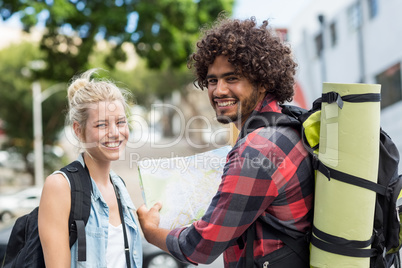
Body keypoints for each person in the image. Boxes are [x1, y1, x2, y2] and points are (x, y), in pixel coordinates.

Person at [137, 15, 314, 267]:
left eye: (232, 78)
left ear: (263, 81)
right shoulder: (289, 125)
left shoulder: (257, 150)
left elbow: (201, 247)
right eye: (212, 80)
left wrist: (151, 230)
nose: (219, 90)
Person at [38, 69, 143, 268]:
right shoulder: (60, 186)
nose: (114, 133)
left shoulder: (119, 186)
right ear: (78, 130)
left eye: (121, 122)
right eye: (102, 125)